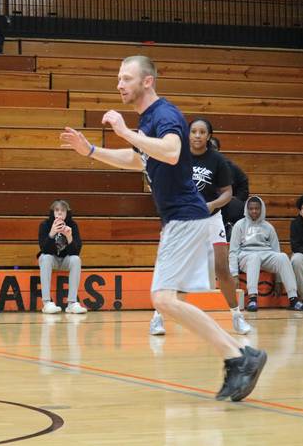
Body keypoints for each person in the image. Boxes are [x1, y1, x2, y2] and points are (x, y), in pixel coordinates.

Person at [60, 55, 266, 402]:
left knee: (163, 299)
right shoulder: (149, 120)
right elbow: (136, 158)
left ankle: (238, 358)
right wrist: (92, 150)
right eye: (118, 78)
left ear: (147, 81)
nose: (119, 84)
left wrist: (124, 132)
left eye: (126, 78)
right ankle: (241, 356)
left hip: (187, 216)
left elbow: (171, 152)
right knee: (169, 300)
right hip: (182, 219)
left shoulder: (165, 115)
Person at [151, 118, 251, 335]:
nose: (197, 135)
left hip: (211, 219)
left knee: (222, 269)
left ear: (208, 136)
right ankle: (157, 318)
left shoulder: (217, 160)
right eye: (193, 131)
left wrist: (212, 205)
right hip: (182, 218)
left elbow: (227, 193)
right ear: (187, 134)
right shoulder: (176, 157)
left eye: (202, 132)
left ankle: (237, 316)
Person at [229, 197, 303, 312]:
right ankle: (252, 299)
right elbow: (233, 251)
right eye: (251, 209)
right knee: (254, 257)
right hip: (246, 256)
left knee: (282, 256)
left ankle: (293, 299)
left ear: (261, 209)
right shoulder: (239, 225)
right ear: (247, 209)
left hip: (266, 254)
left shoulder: (268, 227)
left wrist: (278, 280)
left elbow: (275, 250)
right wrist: (234, 274)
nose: (254, 211)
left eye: (257, 208)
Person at [37, 199, 87, 314]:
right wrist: (52, 234)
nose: (59, 213)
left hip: (65, 260)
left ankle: (72, 303)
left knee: (76, 260)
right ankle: (47, 303)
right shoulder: (45, 225)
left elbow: (75, 252)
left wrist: (69, 237)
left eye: (63, 210)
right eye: (57, 210)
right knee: (45, 258)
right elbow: (44, 250)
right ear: (52, 212)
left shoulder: (73, 225)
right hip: (51, 259)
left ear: (67, 213)